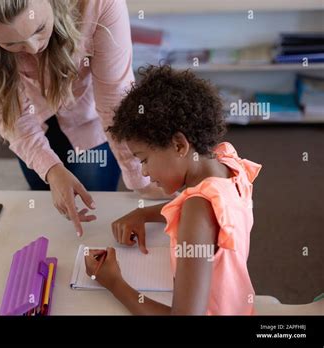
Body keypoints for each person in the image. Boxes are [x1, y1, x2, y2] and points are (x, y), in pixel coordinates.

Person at [0, 0, 169, 238]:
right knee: (46, 209)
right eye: (11, 44)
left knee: (95, 215)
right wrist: (50, 169)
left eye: (39, 29)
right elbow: (7, 107)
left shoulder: (99, 4)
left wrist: (139, 176)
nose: (32, 48)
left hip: (90, 119)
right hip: (33, 120)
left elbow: (114, 101)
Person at [85, 65, 262, 315]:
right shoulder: (226, 163)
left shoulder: (197, 208)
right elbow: (211, 214)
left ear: (179, 145)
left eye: (144, 159)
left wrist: (114, 282)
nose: (144, 172)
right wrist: (144, 214)